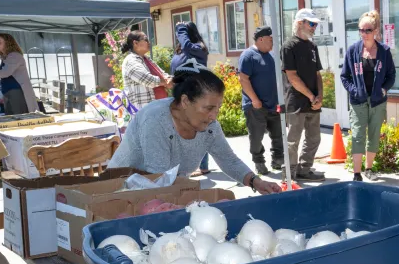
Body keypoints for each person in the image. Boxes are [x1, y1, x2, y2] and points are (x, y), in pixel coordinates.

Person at [109, 66, 280, 195]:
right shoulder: (155, 119)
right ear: (185, 101)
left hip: (163, 194)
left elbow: (228, 160)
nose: (214, 115)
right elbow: (159, 178)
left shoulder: (210, 127)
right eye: (208, 108)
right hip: (119, 191)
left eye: (218, 108)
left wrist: (255, 182)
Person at [340, 10, 396, 182]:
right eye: (361, 30)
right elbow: (345, 76)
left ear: (376, 31)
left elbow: (391, 75)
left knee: (373, 134)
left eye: (368, 30)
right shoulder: (353, 51)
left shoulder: (384, 51)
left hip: (378, 101)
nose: (364, 34)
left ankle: (369, 168)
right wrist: (354, 91)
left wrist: (384, 89)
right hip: (358, 101)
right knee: (357, 134)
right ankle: (357, 173)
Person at [282, 8, 325, 182]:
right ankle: (289, 175)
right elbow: (292, 77)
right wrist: (310, 96)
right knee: (293, 140)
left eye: (315, 24)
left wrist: (319, 97)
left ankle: (304, 170)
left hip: (313, 102)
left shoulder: (313, 46)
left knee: (314, 138)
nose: (314, 27)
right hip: (296, 101)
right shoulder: (289, 46)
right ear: (300, 23)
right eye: (311, 23)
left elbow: (317, 75)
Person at [239, 26, 284, 176]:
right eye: (270, 40)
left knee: (278, 134)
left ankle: (278, 160)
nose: (272, 43)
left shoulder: (270, 56)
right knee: (257, 136)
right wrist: (254, 99)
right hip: (255, 106)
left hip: (273, 104)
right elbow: (243, 79)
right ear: (261, 39)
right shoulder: (248, 56)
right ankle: (259, 162)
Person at [171, 22, 213, 177]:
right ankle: (187, 165)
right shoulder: (182, 52)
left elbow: (187, 46)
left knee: (198, 130)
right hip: (181, 97)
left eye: (181, 33)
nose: (179, 35)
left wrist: (180, 27)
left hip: (196, 96)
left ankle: (202, 165)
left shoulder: (198, 49)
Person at [0, 33, 37, 115]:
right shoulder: (7, 57)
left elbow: (5, 73)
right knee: (11, 118)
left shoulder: (15, 56)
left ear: (8, 42)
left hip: (16, 92)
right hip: (9, 92)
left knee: (20, 118)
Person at [120, 30, 171, 111]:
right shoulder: (130, 61)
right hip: (143, 113)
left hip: (157, 109)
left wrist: (170, 79)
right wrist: (166, 81)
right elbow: (148, 80)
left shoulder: (146, 59)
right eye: (146, 40)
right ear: (135, 43)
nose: (149, 42)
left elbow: (162, 73)